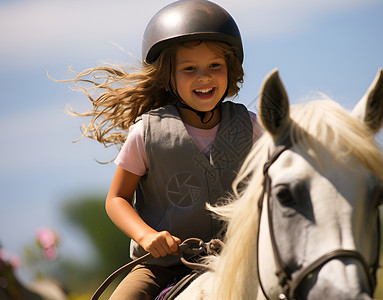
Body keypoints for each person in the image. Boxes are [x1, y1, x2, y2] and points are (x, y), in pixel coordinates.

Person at [65, 0, 261, 298]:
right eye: (189, 69)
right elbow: (117, 199)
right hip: (161, 265)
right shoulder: (146, 132)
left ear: (230, 70)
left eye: (215, 66)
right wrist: (147, 237)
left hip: (239, 258)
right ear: (167, 78)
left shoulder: (251, 127)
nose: (204, 77)